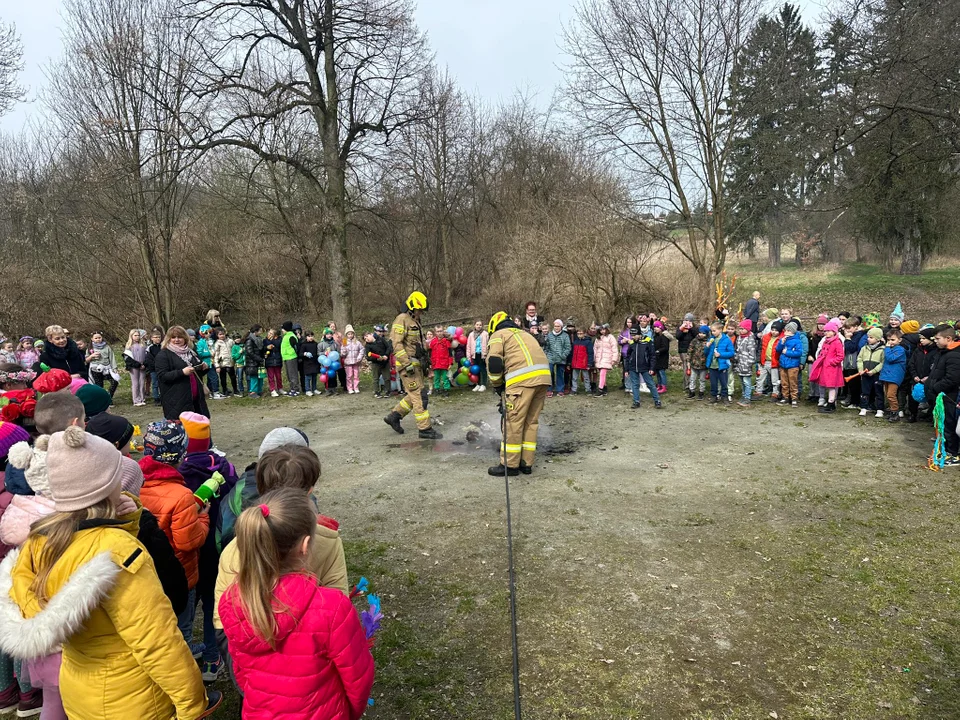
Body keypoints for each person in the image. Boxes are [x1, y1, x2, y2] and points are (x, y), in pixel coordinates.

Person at [0, 425, 219, 720]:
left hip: (81, 690)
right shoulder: (119, 554)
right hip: (134, 699)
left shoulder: (40, 539)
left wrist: (128, 518)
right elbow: (158, 643)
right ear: (105, 485)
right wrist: (193, 704)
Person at [219, 488, 374, 719]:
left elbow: (240, 670)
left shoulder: (231, 602)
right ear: (305, 545)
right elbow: (358, 678)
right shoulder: (332, 608)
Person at [214, 444, 348, 688]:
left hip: (248, 658)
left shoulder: (238, 544)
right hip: (312, 666)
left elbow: (221, 618)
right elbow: (340, 602)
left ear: (262, 489)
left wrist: (245, 681)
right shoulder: (327, 541)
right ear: (309, 491)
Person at [138, 420, 211, 661]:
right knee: (182, 627)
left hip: (146, 573)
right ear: (180, 454)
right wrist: (203, 518)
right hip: (179, 575)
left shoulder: (133, 481)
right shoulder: (181, 495)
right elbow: (188, 541)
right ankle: (186, 661)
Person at [177, 412, 238, 683]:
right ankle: (213, 660)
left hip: (188, 548)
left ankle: (186, 653)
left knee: (187, 606)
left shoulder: (178, 474)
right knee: (214, 603)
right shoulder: (225, 468)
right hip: (217, 545)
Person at [485, 312, 551, 476]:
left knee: (513, 423)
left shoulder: (498, 335)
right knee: (531, 421)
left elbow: (494, 364)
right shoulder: (524, 334)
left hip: (521, 382)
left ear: (494, 327)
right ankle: (526, 463)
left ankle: (510, 465)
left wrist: (498, 386)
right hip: (543, 378)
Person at [383, 292, 442, 439]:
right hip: (408, 366)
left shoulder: (415, 321)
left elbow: (418, 346)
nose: (421, 313)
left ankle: (394, 416)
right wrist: (407, 363)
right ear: (411, 307)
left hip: (417, 365)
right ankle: (425, 429)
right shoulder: (402, 319)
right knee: (420, 396)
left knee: (414, 394)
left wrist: (426, 365)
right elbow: (396, 344)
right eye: (419, 310)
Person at [154, 326, 211, 421]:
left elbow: (197, 373)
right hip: (176, 400)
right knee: (182, 430)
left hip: (195, 399)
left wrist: (203, 368)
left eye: (179, 337)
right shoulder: (163, 355)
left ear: (185, 338)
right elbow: (162, 376)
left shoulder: (191, 352)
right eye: (173, 337)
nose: (176, 340)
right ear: (168, 339)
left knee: (199, 430)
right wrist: (182, 372)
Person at [924, 325, 960, 466]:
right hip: (939, 396)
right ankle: (942, 450)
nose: (935, 341)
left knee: (949, 425)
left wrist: (935, 387)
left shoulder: (955, 355)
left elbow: (952, 378)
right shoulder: (942, 352)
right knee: (942, 425)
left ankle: (952, 454)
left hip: (948, 397)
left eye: (938, 338)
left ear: (948, 338)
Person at [810, 319, 845, 414]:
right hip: (825, 367)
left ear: (834, 332)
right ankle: (830, 403)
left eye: (828, 331)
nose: (826, 333)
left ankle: (831, 403)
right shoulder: (826, 341)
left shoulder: (837, 342)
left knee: (832, 386)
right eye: (825, 331)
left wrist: (831, 362)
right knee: (825, 384)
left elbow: (840, 356)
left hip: (832, 368)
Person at [624, 322, 662, 409]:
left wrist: (652, 367)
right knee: (635, 385)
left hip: (645, 367)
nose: (633, 337)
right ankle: (636, 401)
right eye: (631, 335)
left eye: (634, 335)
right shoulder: (632, 343)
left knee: (651, 384)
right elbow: (628, 356)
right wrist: (627, 369)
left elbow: (652, 356)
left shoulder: (648, 341)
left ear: (639, 334)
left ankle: (657, 401)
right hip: (633, 367)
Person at [906, 326, 939, 422]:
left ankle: (930, 415)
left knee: (931, 398)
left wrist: (929, 377)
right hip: (916, 378)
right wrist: (914, 375)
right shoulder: (918, 350)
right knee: (913, 397)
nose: (921, 341)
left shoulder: (936, 351)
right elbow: (911, 363)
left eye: (924, 338)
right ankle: (913, 414)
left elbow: (936, 366)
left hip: (929, 379)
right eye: (920, 338)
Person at [857, 327, 886, 418]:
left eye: (871, 337)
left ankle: (880, 409)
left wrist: (874, 371)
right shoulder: (864, 348)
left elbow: (882, 362)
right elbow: (859, 359)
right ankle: (863, 407)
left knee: (878, 392)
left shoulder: (883, 349)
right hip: (865, 375)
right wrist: (860, 370)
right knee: (865, 391)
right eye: (868, 337)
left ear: (877, 339)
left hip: (877, 375)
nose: (868, 339)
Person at [879, 329, 907, 423]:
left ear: (899, 340)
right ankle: (892, 411)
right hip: (887, 375)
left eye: (893, 340)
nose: (890, 342)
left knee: (891, 395)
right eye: (889, 340)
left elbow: (890, 358)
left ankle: (895, 412)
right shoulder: (890, 349)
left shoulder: (900, 349)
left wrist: (886, 348)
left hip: (894, 376)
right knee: (887, 394)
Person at [705, 322, 736, 405]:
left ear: (720, 330)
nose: (712, 333)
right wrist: (707, 347)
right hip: (712, 365)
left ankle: (725, 397)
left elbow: (731, 353)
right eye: (712, 331)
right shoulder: (711, 339)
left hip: (722, 365)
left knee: (723, 382)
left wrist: (721, 355)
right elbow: (706, 353)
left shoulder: (726, 340)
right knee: (713, 383)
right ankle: (714, 396)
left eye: (714, 331)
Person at [776, 322, 804, 407]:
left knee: (793, 382)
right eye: (786, 330)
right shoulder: (783, 339)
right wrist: (781, 343)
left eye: (788, 330)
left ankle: (794, 398)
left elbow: (799, 353)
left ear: (792, 332)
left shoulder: (797, 341)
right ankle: (785, 397)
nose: (786, 332)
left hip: (792, 365)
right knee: (784, 382)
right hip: (783, 364)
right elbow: (777, 349)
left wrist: (787, 352)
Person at [543, 319, 572, 399]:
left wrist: (563, 355)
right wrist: (547, 354)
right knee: (550, 373)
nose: (556, 328)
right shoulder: (549, 335)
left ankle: (560, 390)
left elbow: (568, 347)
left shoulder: (565, 336)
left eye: (558, 326)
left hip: (561, 358)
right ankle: (549, 389)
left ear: (561, 327)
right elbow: (546, 346)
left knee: (560, 374)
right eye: (555, 326)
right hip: (551, 358)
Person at [757, 321, 783, 401]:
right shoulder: (765, 337)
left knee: (775, 380)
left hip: (774, 362)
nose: (773, 332)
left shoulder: (782, 339)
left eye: (776, 330)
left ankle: (775, 393)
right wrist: (759, 360)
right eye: (772, 329)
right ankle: (758, 391)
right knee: (760, 377)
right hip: (764, 361)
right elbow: (760, 348)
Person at [734, 320, 757, 407]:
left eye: (743, 329)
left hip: (746, 364)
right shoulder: (740, 337)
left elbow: (752, 354)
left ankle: (747, 398)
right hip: (740, 363)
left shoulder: (750, 339)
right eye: (740, 329)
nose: (741, 330)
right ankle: (744, 395)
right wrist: (736, 358)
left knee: (747, 382)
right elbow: (737, 349)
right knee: (742, 381)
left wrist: (748, 363)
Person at [195, 325, 222, 399]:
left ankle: (210, 391)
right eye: (207, 333)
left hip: (213, 362)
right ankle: (215, 392)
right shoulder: (201, 342)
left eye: (210, 332)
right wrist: (209, 353)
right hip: (206, 363)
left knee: (211, 378)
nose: (209, 334)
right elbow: (199, 353)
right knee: (214, 377)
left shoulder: (211, 341)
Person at [123, 329, 148, 407]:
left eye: (138, 335)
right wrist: (138, 365)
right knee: (135, 383)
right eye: (135, 335)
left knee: (142, 382)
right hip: (134, 367)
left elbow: (147, 356)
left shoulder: (143, 345)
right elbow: (128, 358)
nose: (137, 337)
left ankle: (142, 398)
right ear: (131, 336)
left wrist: (144, 364)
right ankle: (136, 399)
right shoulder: (129, 346)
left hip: (143, 366)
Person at [364, 330, 392, 399]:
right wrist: (376, 359)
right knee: (376, 378)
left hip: (385, 362)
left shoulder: (381, 339)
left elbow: (388, 347)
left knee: (387, 378)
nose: (366, 339)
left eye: (367, 336)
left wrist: (386, 355)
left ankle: (387, 391)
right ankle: (376, 392)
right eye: (365, 338)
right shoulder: (367, 346)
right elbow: (368, 357)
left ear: (371, 334)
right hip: (376, 363)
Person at [213, 329, 238, 397]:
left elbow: (235, 349)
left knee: (233, 377)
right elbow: (216, 355)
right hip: (222, 363)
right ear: (217, 335)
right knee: (223, 378)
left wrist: (236, 359)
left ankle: (235, 390)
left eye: (223, 334)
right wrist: (217, 365)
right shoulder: (217, 343)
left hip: (230, 362)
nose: (222, 336)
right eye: (220, 334)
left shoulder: (230, 341)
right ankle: (225, 390)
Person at [686, 325, 709, 400]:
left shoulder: (708, 342)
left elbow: (709, 353)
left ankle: (701, 392)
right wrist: (688, 361)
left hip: (703, 365)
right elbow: (690, 351)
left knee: (702, 379)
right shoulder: (694, 341)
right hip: (694, 364)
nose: (701, 334)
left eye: (703, 333)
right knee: (692, 379)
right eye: (700, 332)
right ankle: (691, 391)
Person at [466, 321, 489, 393]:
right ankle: (478, 384)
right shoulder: (471, 335)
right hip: (474, 354)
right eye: (477, 325)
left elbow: (488, 345)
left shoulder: (485, 334)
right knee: (476, 370)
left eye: (480, 325)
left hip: (482, 354)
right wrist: (469, 356)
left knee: (483, 369)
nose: (478, 326)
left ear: (482, 326)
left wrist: (487, 354)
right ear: (474, 325)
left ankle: (483, 384)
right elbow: (468, 346)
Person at [569, 327, 594, 395]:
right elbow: (572, 353)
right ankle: (574, 389)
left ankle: (588, 389)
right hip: (575, 363)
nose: (579, 335)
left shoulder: (588, 342)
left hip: (584, 363)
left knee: (586, 377)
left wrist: (589, 363)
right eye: (578, 333)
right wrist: (570, 362)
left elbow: (590, 353)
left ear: (584, 334)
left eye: (581, 333)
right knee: (574, 378)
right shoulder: (575, 342)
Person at [280, 321, 301, 397]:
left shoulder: (291, 336)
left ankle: (296, 389)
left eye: (283, 328)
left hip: (291, 357)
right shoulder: (286, 336)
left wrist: (296, 355)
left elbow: (296, 347)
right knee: (289, 375)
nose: (282, 330)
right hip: (286, 357)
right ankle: (292, 388)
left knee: (293, 375)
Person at [243, 325, 265, 398]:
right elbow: (250, 352)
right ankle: (253, 392)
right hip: (252, 362)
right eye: (260, 330)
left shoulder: (259, 339)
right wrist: (258, 358)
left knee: (260, 377)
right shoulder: (249, 340)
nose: (261, 332)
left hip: (259, 362)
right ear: (256, 331)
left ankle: (259, 390)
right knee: (254, 377)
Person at [429, 327, 452, 397]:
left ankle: (446, 390)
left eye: (440, 331)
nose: (439, 333)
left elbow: (450, 353)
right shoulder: (433, 342)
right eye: (437, 331)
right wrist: (430, 363)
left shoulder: (446, 341)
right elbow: (430, 353)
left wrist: (450, 363)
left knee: (445, 378)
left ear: (443, 332)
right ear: (435, 333)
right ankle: (437, 389)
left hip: (444, 363)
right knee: (436, 377)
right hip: (435, 363)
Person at [144, 328, 164, 406]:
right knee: (155, 384)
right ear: (152, 338)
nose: (157, 339)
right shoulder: (150, 348)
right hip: (153, 369)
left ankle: (163, 397)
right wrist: (155, 366)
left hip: (162, 368)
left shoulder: (163, 347)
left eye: (159, 337)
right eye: (155, 337)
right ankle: (156, 398)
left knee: (162, 383)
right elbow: (149, 359)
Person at [342, 326, 364, 394]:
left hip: (356, 362)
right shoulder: (344, 341)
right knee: (349, 376)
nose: (350, 335)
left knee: (356, 375)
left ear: (353, 334)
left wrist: (359, 357)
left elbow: (362, 349)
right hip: (348, 362)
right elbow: (342, 352)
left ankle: (356, 387)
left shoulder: (357, 342)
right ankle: (350, 388)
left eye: (351, 334)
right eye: (348, 334)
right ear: (346, 335)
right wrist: (344, 352)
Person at [299, 330, 321, 397]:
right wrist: (305, 353)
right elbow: (300, 354)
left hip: (315, 362)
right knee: (308, 377)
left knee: (314, 376)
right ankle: (307, 390)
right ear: (306, 337)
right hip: (307, 363)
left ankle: (314, 388)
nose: (311, 337)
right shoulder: (303, 345)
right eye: (309, 336)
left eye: (312, 336)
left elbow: (318, 352)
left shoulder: (315, 344)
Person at [263, 329, 283, 397]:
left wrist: (272, 341)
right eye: (269, 333)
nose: (269, 334)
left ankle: (280, 388)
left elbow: (278, 345)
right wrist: (267, 347)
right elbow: (263, 348)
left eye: (271, 333)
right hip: (269, 361)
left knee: (278, 376)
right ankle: (272, 389)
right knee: (271, 376)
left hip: (277, 360)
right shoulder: (265, 340)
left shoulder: (279, 339)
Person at [652, 321, 670, 393]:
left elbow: (665, 347)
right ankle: (659, 385)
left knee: (662, 372)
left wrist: (658, 351)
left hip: (663, 357)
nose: (655, 328)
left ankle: (664, 386)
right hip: (657, 357)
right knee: (658, 372)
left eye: (657, 327)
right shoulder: (655, 337)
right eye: (654, 327)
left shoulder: (664, 337)